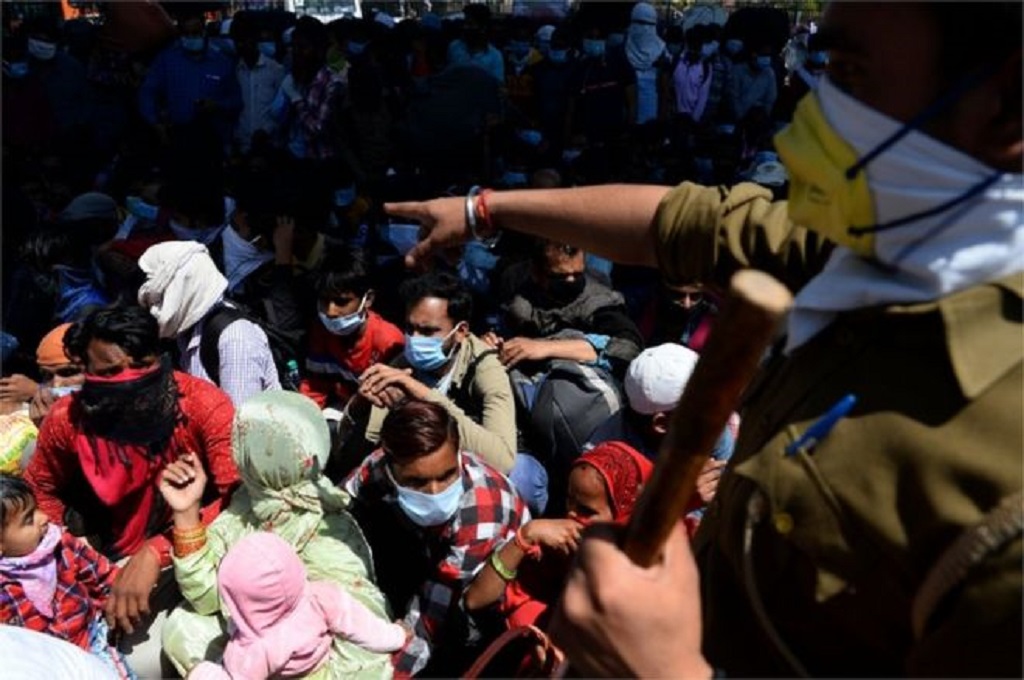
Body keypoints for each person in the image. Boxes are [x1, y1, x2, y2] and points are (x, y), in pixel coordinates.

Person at [384, 3, 1023, 675]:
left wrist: (662, 666)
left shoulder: (1000, 500)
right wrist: (483, 211)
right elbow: (687, 224)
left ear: (1007, 103)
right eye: (822, 71)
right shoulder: (871, 237)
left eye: (853, 75)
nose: (813, 112)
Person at [23, 306, 240, 677]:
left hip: (189, 551)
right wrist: (70, 552)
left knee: (144, 663)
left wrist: (156, 552)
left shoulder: (203, 406)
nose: (129, 380)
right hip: (97, 549)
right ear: (86, 371)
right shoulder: (67, 421)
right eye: (109, 372)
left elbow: (236, 499)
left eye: (141, 365)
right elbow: (41, 489)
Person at [158, 390, 395, 677]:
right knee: (183, 626)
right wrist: (186, 513)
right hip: (256, 650)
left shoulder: (327, 536)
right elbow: (209, 597)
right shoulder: (250, 501)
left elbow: (363, 645)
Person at [344, 399, 529, 676]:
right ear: (391, 466)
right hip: (428, 552)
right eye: (417, 482)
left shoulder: (480, 513)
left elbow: (429, 620)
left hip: (480, 590)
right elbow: (343, 501)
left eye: (447, 476)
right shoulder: (378, 468)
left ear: (458, 456)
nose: (435, 492)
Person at [463, 441, 652, 630]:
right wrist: (526, 535)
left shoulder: (637, 584)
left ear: (624, 515)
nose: (571, 514)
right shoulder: (557, 546)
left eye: (586, 511)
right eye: (569, 500)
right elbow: (475, 599)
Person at [346, 272, 518, 476]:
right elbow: (353, 456)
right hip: (421, 471)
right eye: (410, 328)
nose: (414, 339)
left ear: (461, 331)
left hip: (471, 467)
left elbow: (503, 461)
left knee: (524, 475)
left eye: (428, 332)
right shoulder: (402, 364)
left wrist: (422, 395)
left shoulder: (485, 367)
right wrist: (359, 407)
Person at [187, 532, 408, 680]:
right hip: (326, 667)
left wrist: (201, 673)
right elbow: (365, 627)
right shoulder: (322, 595)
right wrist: (397, 635)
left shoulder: (255, 647)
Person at [0, 475, 133, 679]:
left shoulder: (60, 543)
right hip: (49, 666)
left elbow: (102, 574)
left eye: (36, 508)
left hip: (91, 637)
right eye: (28, 519)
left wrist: (121, 600)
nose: (43, 517)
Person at [137, 240, 280, 406]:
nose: (152, 304)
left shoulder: (235, 338)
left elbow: (240, 423)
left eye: (160, 295)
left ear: (183, 286)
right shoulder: (186, 331)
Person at [493, 240, 643, 381]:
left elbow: (627, 348)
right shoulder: (518, 290)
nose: (571, 281)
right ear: (537, 274)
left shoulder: (598, 301)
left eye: (577, 274)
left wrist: (544, 347)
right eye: (560, 276)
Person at [300, 248, 404, 410]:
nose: (330, 311)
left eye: (341, 302)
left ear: (367, 299)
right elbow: (316, 386)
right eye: (324, 301)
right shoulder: (321, 329)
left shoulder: (389, 342)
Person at [137, 10, 242, 153]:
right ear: (180, 35)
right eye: (187, 33)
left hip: (214, 139)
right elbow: (147, 91)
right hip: (178, 136)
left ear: (204, 31)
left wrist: (218, 105)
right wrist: (155, 122)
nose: (192, 37)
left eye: (196, 32)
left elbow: (236, 101)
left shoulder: (222, 62)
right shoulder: (167, 60)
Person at [231, 12, 286, 154]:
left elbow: (283, 109)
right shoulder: (234, 71)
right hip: (241, 146)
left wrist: (267, 130)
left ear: (255, 39)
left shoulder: (275, 70)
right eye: (238, 41)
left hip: (270, 146)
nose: (242, 45)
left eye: (246, 39)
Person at [624, 2, 667, 126]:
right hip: (628, 120)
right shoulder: (622, 50)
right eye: (639, 24)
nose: (642, 29)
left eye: (646, 24)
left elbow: (664, 91)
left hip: (652, 121)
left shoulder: (661, 52)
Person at [446, 4, 504, 83]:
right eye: (465, 23)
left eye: (470, 24)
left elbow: (497, 87)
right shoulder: (454, 47)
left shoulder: (495, 56)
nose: (465, 27)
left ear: (483, 28)